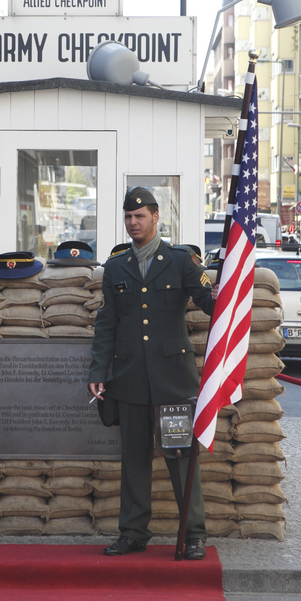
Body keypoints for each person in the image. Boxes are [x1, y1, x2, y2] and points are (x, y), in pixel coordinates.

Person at [87, 187, 215, 561]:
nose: (133, 223)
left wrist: (228, 295)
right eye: (128, 217)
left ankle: (193, 534)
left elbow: (209, 302)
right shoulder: (115, 267)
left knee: (180, 458)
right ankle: (133, 533)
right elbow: (106, 323)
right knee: (135, 461)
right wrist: (98, 370)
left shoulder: (181, 261)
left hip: (172, 380)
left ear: (156, 217)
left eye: (140, 216)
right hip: (129, 378)